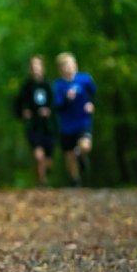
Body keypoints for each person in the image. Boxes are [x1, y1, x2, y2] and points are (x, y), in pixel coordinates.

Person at [53, 52, 97, 187]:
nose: (70, 68)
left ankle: (82, 156)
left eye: (72, 64)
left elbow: (93, 93)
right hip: (66, 125)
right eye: (66, 65)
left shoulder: (85, 79)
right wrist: (67, 99)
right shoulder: (58, 86)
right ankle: (75, 181)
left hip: (83, 121)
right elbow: (56, 106)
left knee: (85, 146)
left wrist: (91, 103)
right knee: (69, 155)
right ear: (60, 69)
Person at [13, 55, 56, 187]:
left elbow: (56, 104)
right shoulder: (26, 87)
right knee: (39, 156)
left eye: (38, 66)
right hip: (33, 126)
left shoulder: (49, 85)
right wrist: (23, 113)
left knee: (47, 159)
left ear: (43, 68)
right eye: (33, 66)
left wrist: (49, 111)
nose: (35, 69)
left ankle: (46, 171)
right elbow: (17, 104)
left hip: (48, 126)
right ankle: (42, 183)